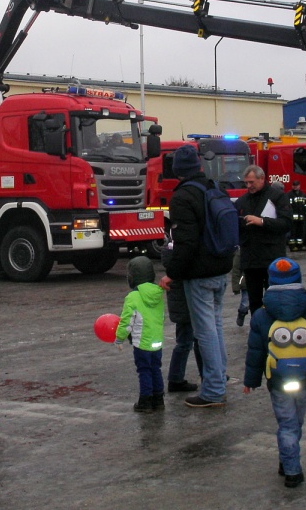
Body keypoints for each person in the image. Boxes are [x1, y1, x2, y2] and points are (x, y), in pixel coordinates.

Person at [243, 258, 306, 488]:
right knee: (297, 421)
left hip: (278, 379)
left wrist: (250, 381)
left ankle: (291, 470)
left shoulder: (262, 316)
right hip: (305, 378)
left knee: (286, 424)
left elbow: (255, 352)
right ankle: (289, 462)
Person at [159, 145, 233, 408]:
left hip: (199, 275)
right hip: (221, 267)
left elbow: (185, 243)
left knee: (205, 333)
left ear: (177, 170)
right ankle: (219, 381)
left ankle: (213, 390)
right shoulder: (214, 188)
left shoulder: (182, 197)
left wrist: (171, 274)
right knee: (216, 328)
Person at [234, 165, 292, 317]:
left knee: (275, 299)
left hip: (272, 257)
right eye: (246, 183)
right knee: (254, 301)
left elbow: (286, 223)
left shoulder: (277, 196)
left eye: (251, 182)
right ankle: (258, 330)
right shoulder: (242, 201)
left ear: (262, 178)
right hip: (251, 260)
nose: (249, 186)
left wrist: (262, 222)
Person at [114, 256, 165, 412]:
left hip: (142, 343)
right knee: (156, 369)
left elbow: (126, 321)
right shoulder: (158, 293)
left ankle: (146, 401)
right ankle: (159, 399)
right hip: (157, 341)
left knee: (144, 371)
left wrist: (119, 338)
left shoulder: (133, 297)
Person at [161, 244, 202, 393]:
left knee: (186, 342)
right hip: (186, 308)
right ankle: (177, 379)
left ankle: (176, 378)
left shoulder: (172, 262)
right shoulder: (180, 263)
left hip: (181, 309)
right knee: (189, 342)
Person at [286, 180, 306, 252]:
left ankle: (300, 246)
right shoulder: (289, 195)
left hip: (301, 217)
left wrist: (305, 209)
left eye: (296, 185)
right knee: (293, 233)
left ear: (299, 186)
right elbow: (287, 206)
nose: (295, 187)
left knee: (300, 232)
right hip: (293, 218)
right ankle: (292, 247)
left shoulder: (303, 194)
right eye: (294, 185)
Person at [232, 249, 250, 327]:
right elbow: (236, 270)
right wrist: (236, 287)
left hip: (259, 281)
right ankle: (241, 314)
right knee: (245, 304)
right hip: (246, 283)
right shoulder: (241, 252)